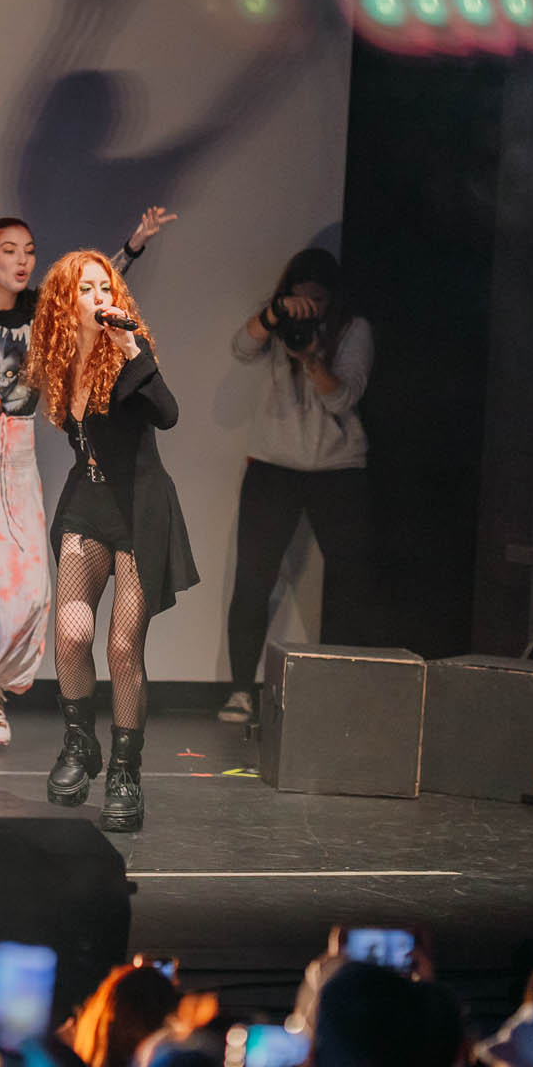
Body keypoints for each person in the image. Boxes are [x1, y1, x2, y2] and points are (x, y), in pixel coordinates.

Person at [0, 190, 175, 756]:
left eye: (29, 250)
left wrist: (131, 248)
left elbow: (87, 294)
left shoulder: (40, 310)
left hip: (15, 456)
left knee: (28, 591)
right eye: (8, 250)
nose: (22, 259)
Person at [26, 250, 196, 832]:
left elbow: (168, 414)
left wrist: (131, 348)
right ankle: (80, 744)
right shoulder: (59, 357)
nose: (99, 297)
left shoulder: (127, 353)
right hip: (87, 502)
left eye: (106, 287)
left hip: (138, 507)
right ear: (65, 302)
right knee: (72, 634)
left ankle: (126, 771)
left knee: (124, 648)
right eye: (86, 289)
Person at [219, 246, 374, 725]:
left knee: (347, 582)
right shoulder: (277, 323)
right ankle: (241, 690)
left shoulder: (353, 330)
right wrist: (276, 315)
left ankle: (340, 692)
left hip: (338, 469)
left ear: (333, 299)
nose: (308, 310)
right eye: (299, 299)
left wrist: (311, 358)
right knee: (253, 579)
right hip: (274, 467)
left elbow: (343, 398)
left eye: (318, 301)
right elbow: (240, 348)